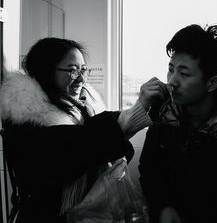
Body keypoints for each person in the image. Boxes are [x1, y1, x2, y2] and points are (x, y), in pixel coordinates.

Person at [0, 37, 168, 223]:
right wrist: (129, 121)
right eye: (72, 71)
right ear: (45, 71)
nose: (81, 78)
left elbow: (99, 137)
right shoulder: (26, 117)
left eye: (83, 70)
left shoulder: (81, 107)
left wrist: (144, 110)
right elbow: (74, 150)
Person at [138, 24, 217, 223]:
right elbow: (150, 168)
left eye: (184, 74)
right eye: (170, 69)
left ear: (212, 83)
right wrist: (164, 206)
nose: (172, 81)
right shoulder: (163, 115)